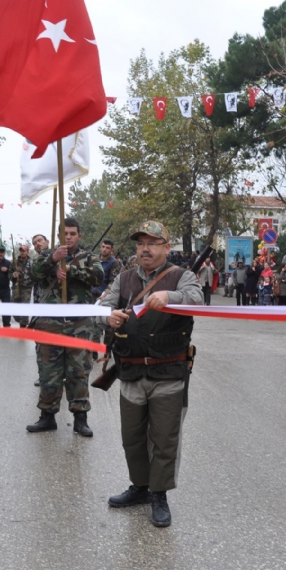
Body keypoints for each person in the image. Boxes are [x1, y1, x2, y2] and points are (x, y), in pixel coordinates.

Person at [101, 220, 203, 528]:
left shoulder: (182, 276)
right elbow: (104, 305)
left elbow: (197, 299)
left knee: (164, 438)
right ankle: (140, 487)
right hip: (131, 370)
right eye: (141, 243)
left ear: (166, 247)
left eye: (152, 243)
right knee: (132, 438)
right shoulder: (125, 278)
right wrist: (110, 316)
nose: (145, 248)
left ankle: (159, 494)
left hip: (168, 371)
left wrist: (171, 298)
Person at [26, 218, 104, 437]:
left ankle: (80, 418)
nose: (68, 237)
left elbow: (98, 277)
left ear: (79, 235)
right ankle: (47, 417)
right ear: (59, 236)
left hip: (79, 325)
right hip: (50, 324)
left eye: (72, 233)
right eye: (65, 233)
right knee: (49, 372)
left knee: (78, 372)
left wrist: (71, 270)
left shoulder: (89, 257)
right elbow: (33, 274)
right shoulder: (45, 255)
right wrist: (53, 259)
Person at [11, 243, 34, 327]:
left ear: (27, 252)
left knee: (24, 307)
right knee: (13, 307)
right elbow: (9, 274)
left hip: (26, 288)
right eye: (21, 251)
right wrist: (13, 276)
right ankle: (21, 320)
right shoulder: (14, 262)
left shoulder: (32, 262)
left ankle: (23, 326)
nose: (22, 252)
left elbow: (34, 274)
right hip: (16, 287)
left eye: (24, 251)